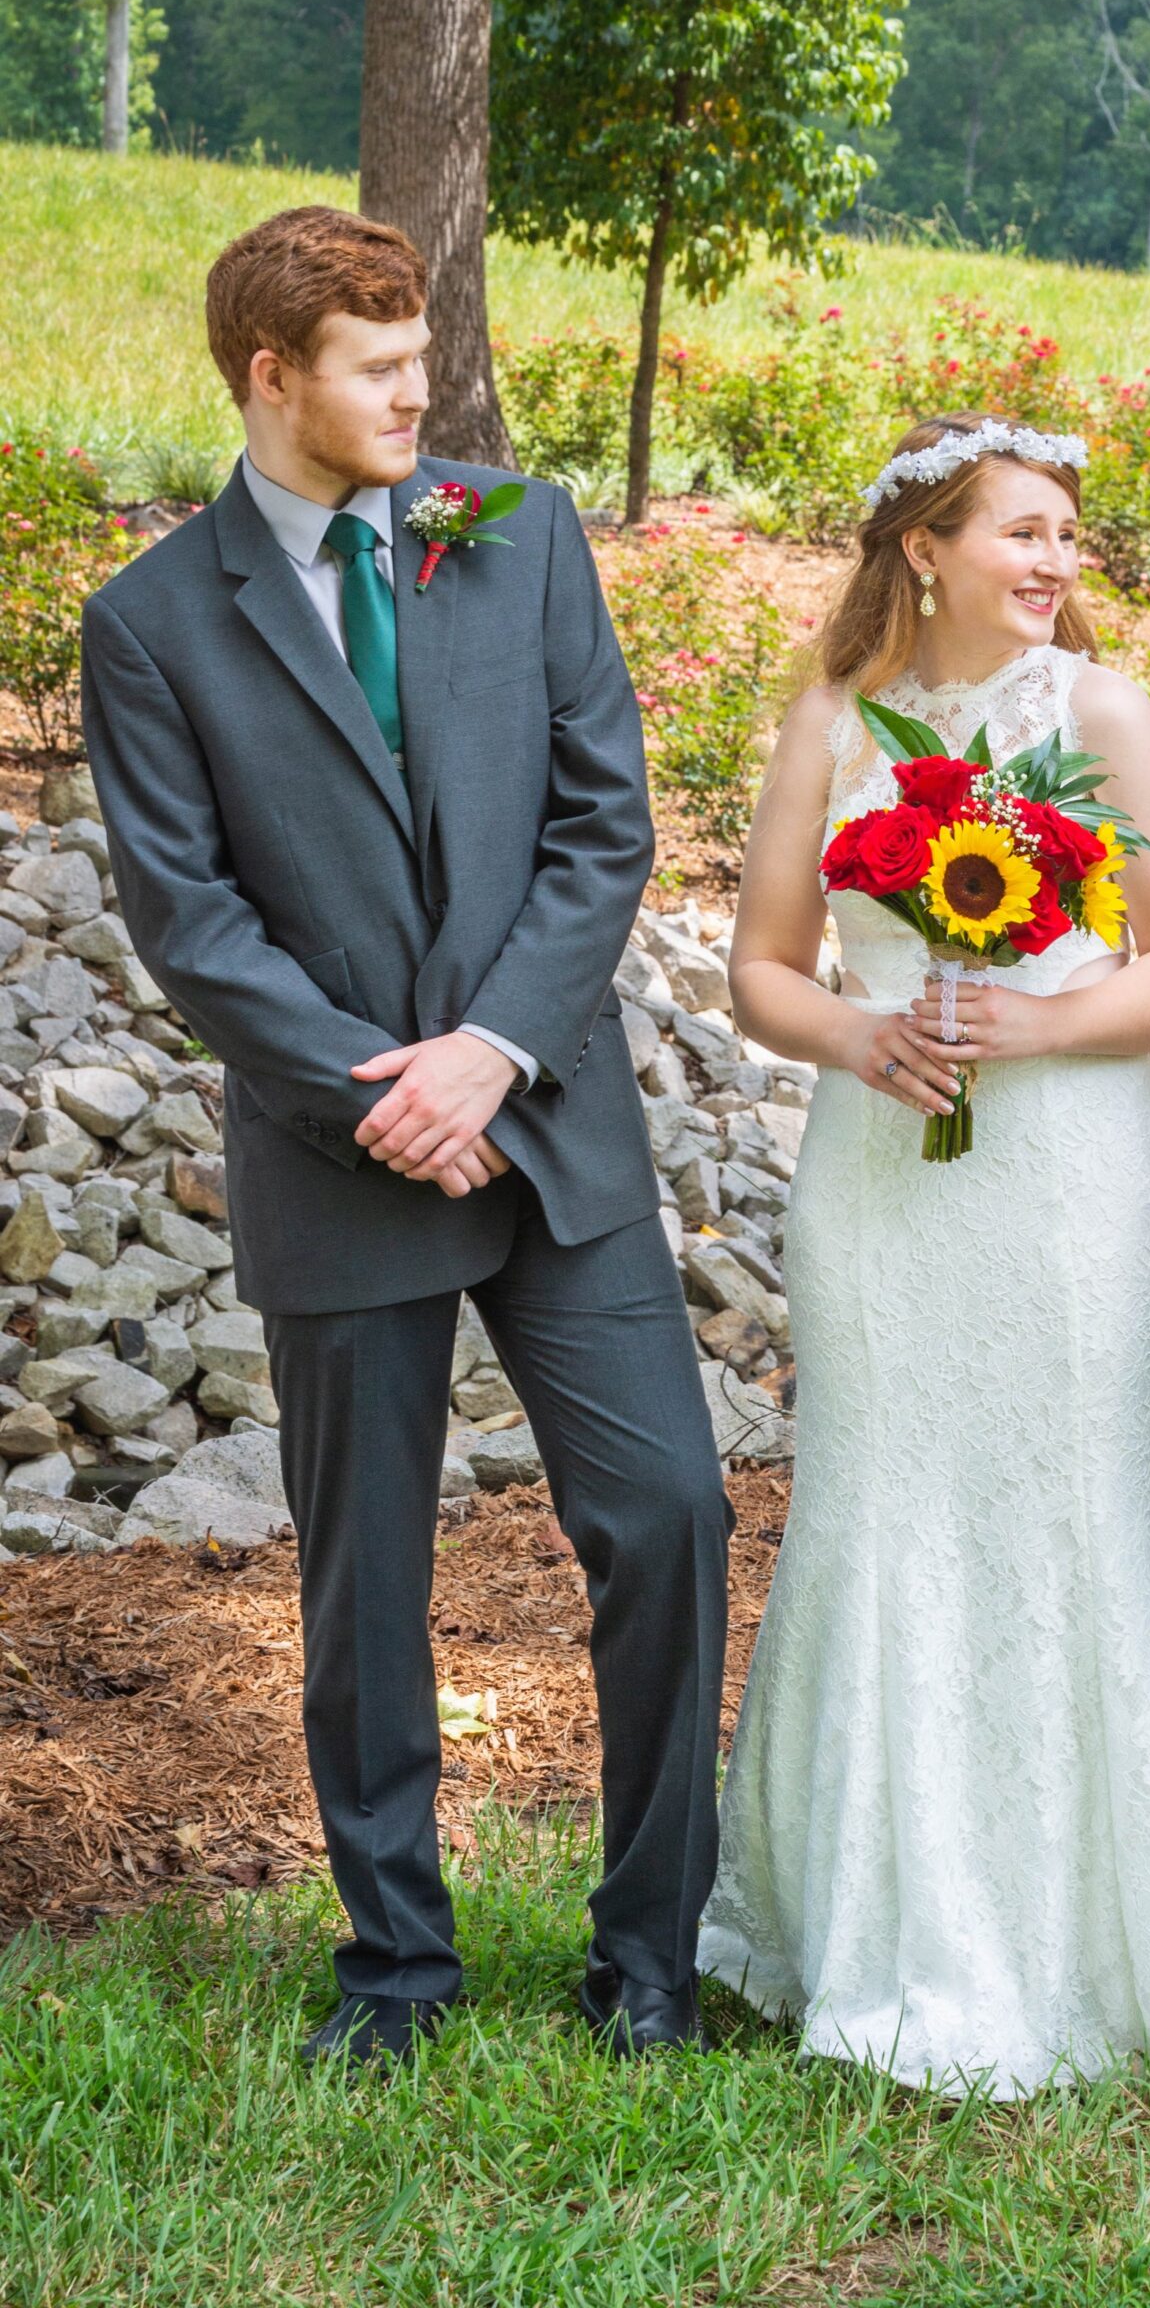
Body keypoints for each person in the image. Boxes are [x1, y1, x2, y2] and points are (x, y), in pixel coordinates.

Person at [81, 204, 730, 2069]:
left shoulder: (519, 540)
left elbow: (602, 827)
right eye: (377, 366)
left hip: (553, 1131)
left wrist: (495, 1057)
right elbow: (189, 921)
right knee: (364, 1575)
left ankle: (650, 1955)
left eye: (419, 356)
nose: (415, 393)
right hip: (342, 1150)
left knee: (668, 1513)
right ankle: (397, 1968)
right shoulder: (146, 621)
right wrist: (386, 1089)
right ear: (270, 377)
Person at [699, 413, 1150, 2104]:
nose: (1049, 565)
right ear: (924, 548)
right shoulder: (829, 721)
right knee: (876, 1511)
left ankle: (1080, 1941)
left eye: (1064, 538)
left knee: (1058, 1514)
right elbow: (760, 969)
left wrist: (1037, 1022)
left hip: (1058, 1176)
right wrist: (861, 1038)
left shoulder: (1097, 712)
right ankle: (865, 1928)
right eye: (1017, 532)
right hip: (882, 1174)